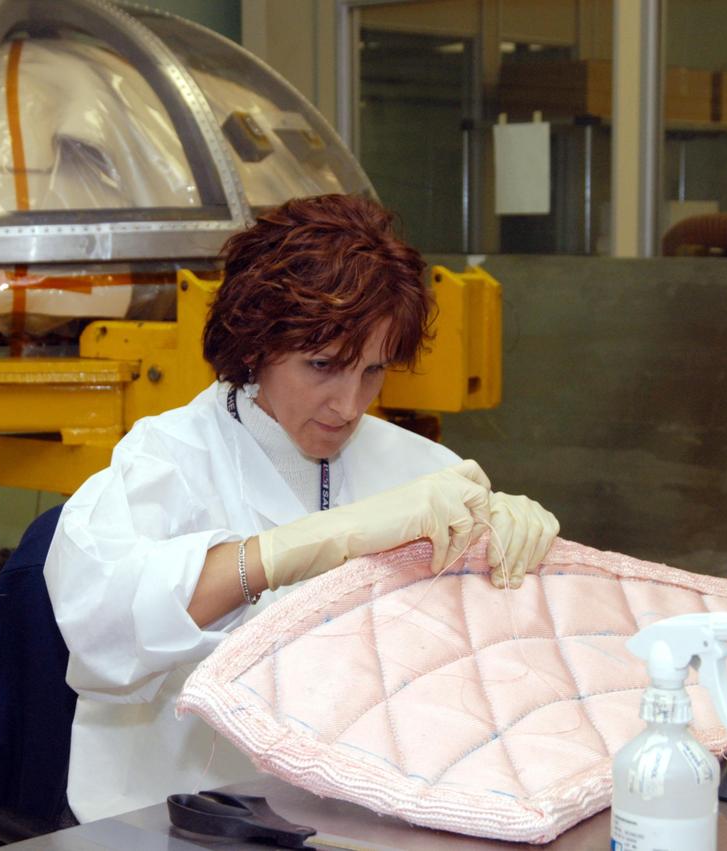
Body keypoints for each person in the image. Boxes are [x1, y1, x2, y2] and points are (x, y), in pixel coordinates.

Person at [43, 194, 559, 823]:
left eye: (373, 371)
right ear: (254, 344)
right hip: (171, 817)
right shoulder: (165, 460)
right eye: (322, 365)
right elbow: (105, 633)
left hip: (356, 812)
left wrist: (510, 563)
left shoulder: (419, 470)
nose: (349, 405)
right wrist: (311, 543)